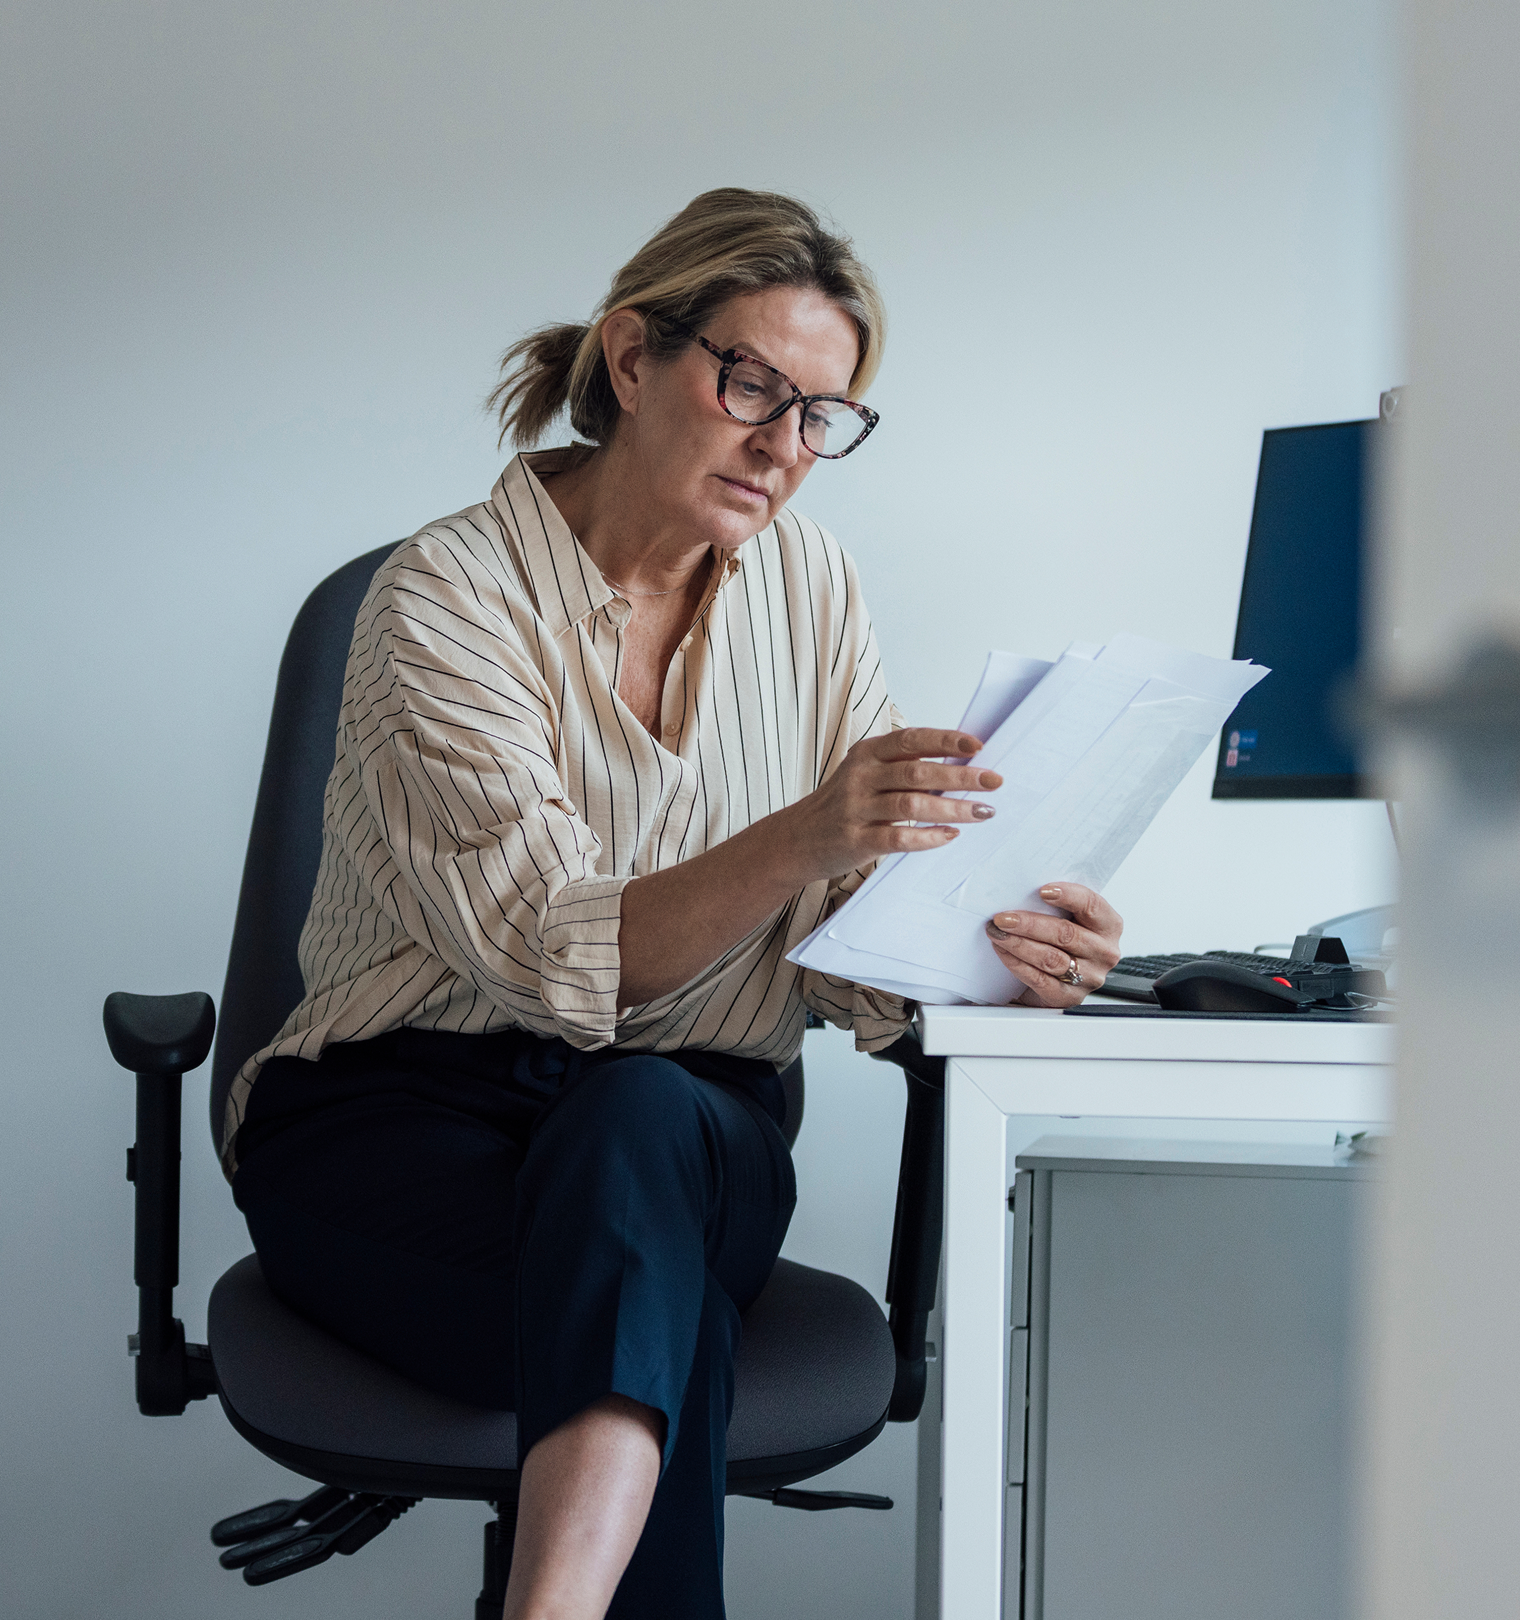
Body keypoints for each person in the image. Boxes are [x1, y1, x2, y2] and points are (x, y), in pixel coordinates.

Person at [223, 188, 1124, 1620]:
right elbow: (551, 964)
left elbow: (850, 933)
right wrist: (805, 833)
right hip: (404, 1130)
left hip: (691, 1130)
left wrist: (992, 951)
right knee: (660, 1304)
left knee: (637, 1124)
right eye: (751, 383)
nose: (784, 447)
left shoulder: (808, 583)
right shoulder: (443, 599)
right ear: (633, 357)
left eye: (823, 415)